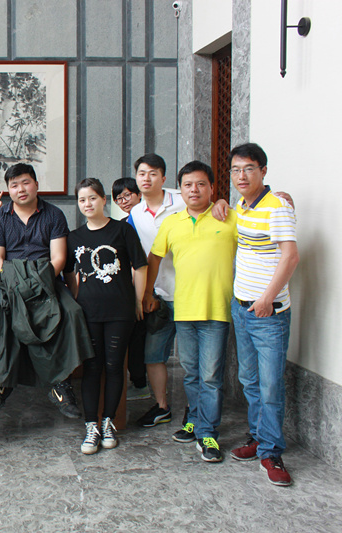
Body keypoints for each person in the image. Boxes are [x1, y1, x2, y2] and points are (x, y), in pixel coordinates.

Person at [212, 143, 299, 486]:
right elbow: (233, 218)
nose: (241, 175)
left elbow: (290, 256)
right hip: (242, 307)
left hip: (269, 312)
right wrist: (221, 201)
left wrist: (267, 298)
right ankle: (260, 437)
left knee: (270, 385)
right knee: (249, 380)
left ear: (263, 171)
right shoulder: (242, 206)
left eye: (249, 168)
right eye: (235, 170)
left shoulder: (277, 206)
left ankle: (272, 452)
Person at [144, 161, 238, 463]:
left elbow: (259, 226)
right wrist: (148, 292)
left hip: (216, 311)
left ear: (212, 188)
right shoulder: (172, 222)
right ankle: (195, 421)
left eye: (200, 184)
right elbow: (155, 258)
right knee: (191, 374)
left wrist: (282, 197)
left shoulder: (229, 218)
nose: (194, 190)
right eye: (188, 185)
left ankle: (208, 433)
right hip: (183, 311)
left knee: (210, 377)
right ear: (180, 189)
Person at [0, 163, 79, 417]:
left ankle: (60, 383)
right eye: (14, 185)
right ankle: (0, 380)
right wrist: (17, 282)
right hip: (7, 278)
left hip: (45, 278)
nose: (21, 189)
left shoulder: (54, 215)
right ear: (8, 190)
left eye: (25, 183)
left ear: (36, 185)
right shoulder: (0, 217)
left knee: (72, 312)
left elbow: (58, 258)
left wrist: (37, 282)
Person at [64, 179, 147, 454]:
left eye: (92, 198)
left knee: (114, 367)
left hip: (120, 311)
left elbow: (141, 266)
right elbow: (69, 272)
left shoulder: (122, 230)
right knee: (92, 368)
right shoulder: (74, 237)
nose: (87, 204)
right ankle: (91, 426)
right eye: (82, 200)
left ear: (103, 200)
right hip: (88, 313)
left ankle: (108, 422)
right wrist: (76, 297)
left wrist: (138, 299)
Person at [127, 154, 184, 428]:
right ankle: (162, 407)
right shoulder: (136, 213)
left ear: (163, 177)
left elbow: (215, 209)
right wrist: (144, 294)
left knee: (193, 361)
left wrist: (221, 203)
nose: (146, 178)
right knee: (153, 355)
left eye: (152, 173)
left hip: (188, 294)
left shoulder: (183, 200)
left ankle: (197, 413)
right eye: (141, 173)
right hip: (158, 294)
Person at [112, 177, 149, 401]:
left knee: (141, 340)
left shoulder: (146, 221)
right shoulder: (123, 224)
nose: (123, 201)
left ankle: (142, 383)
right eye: (118, 198)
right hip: (131, 287)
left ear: (139, 194)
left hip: (150, 285)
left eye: (127, 195)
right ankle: (139, 381)